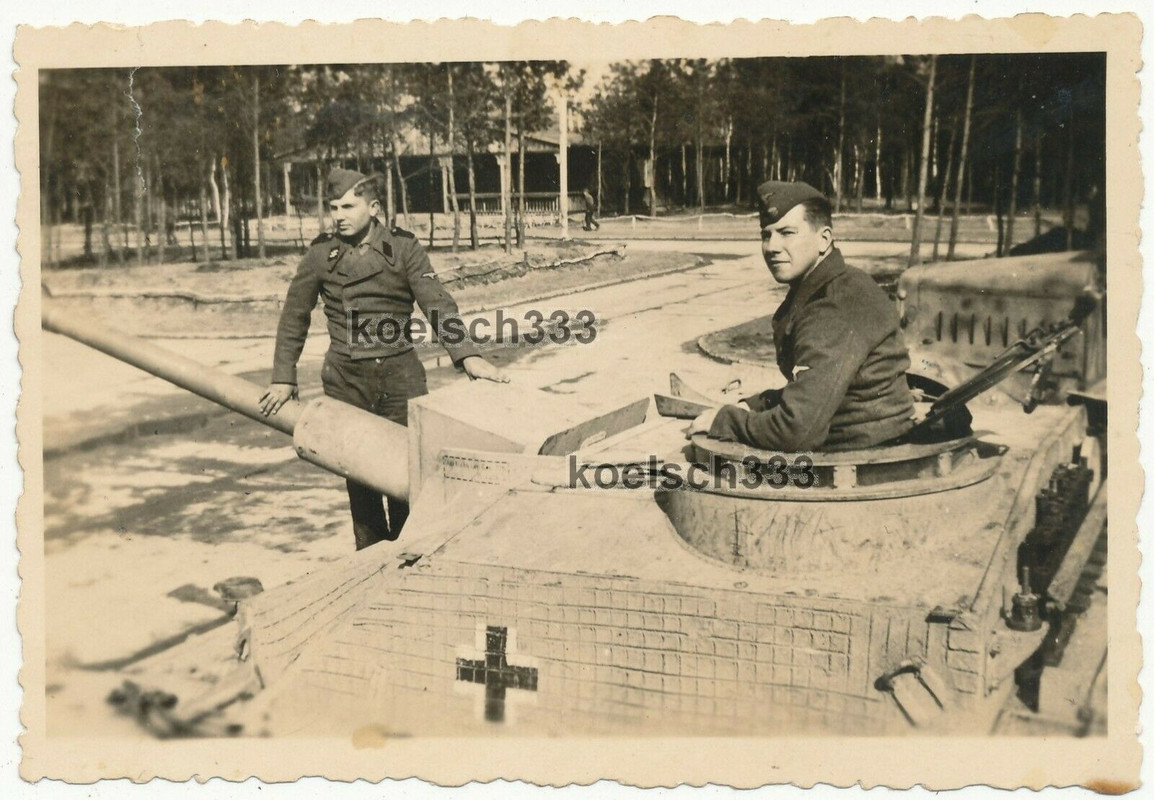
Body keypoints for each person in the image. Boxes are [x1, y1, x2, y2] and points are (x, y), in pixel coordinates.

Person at [259, 168, 508, 549]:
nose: (338, 216)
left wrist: (467, 355)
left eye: (348, 207)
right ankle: (370, 560)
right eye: (333, 207)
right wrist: (283, 377)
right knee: (360, 481)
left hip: (399, 377)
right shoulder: (321, 254)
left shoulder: (404, 248)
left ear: (374, 208)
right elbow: (295, 315)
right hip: (346, 381)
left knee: (408, 475)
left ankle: (410, 558)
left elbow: (437, 304)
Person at [689, 181, 915, 452]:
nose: (772, 247)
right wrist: (757, 404)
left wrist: (725, 421)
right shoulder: (833, 286)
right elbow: (816, 389)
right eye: (766, 235)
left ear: (824, 239)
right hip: (860, 436)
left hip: (862, 452)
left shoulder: (832, 307)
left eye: (787, 233)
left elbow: (796, 431)